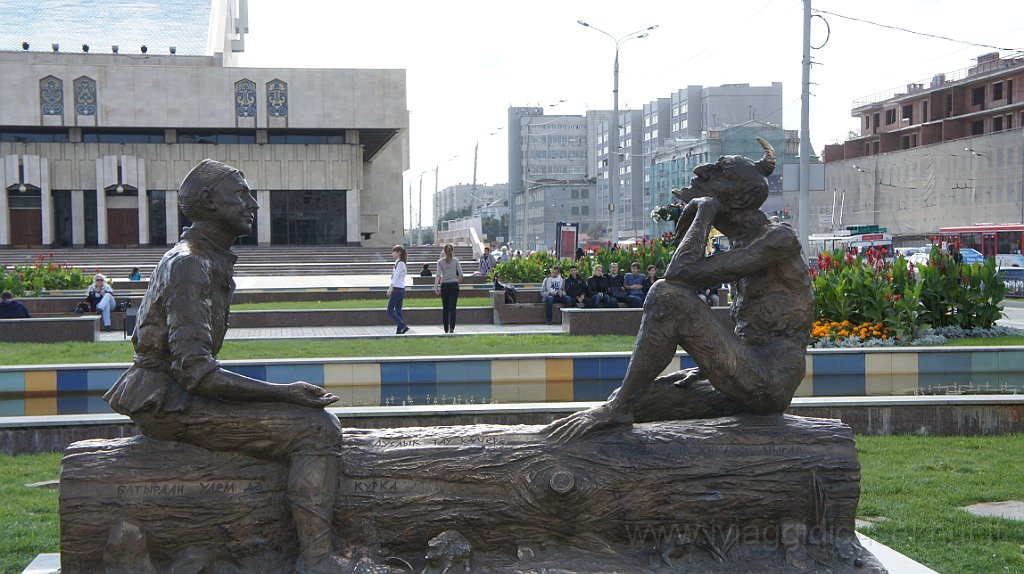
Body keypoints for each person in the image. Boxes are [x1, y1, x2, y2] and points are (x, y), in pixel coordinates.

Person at [103, 159, 354, 574]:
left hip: (174, 394)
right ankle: (318, 560)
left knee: (304, 416)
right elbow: (196, 373)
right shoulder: (190, 264)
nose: (252, 203)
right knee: (316, 429)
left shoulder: (203, 258)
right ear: (207, 202)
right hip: (168, 404)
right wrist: (283, 393)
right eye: (240, 193)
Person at [547, 138, 814, 442]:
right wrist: (708, 368)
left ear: (745, 197)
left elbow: (679, 277)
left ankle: (619, 409)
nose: (702, 170)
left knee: (666, 297)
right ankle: (618, 421)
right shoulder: (743, 245)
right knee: (634, 398)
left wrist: (703, 212)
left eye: (720, 172)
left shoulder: (778, 240)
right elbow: (747, 326)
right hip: (746, 370)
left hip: (768, 383)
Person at [434, 243, 463, 333]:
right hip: (454, 285)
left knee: (445, 308)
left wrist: (436, 287)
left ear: (444, 251)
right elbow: (461, 275)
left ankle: (446, 328)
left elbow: (438, 275)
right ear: (452, 250)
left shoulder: (440, 262)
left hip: (445, 285)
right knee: (453, 307)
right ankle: (452, 328)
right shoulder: (456, 261)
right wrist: (456, 281)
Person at [388, 245, 410, 335]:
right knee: (398, 310)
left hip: (397, 289)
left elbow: (396, 275)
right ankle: (399, 331)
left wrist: (390, 287)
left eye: (394, 251)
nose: (392, 253)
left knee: (390, 310)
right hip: (400, 288)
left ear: (399, 253)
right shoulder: (399, 262)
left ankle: (402, 325)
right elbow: (396, 275)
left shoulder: (400, 263)